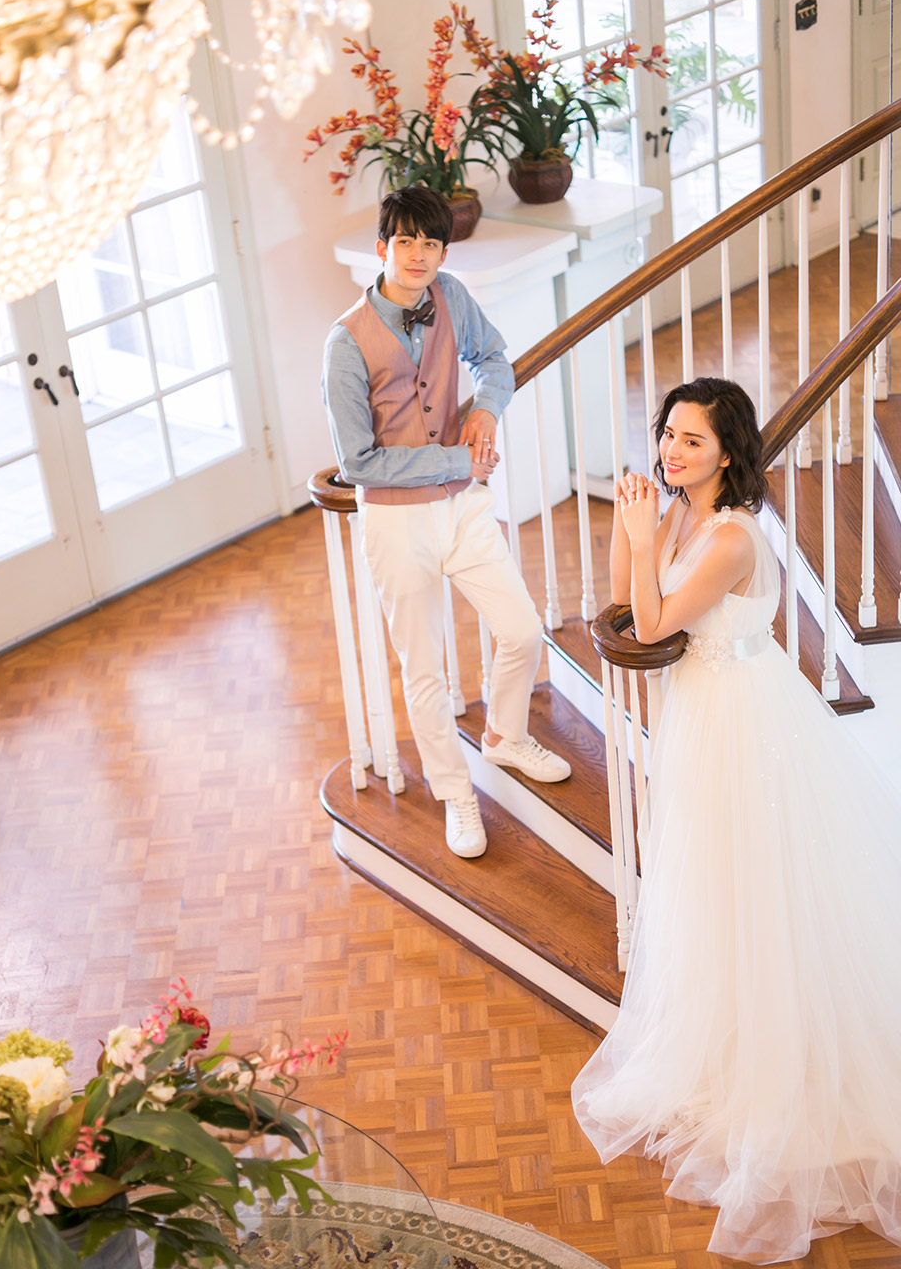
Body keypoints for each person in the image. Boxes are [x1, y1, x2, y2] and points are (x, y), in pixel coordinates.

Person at [571, 377, 901, 1263]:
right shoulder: (682, 513)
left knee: (756, 883)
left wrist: (643, 532)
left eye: (693, 440)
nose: (673, 451)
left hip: (742, 722)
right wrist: (631, 526)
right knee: (711, 887)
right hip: (702, 714)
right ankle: (724, 1044)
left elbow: (650, 625)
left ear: (728, 451)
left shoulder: (729, 535)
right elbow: (623, 598)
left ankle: (784, 1065)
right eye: (668, 435)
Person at [321, 186, 570, 860]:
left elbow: (495, 359)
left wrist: (486, 406)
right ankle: (456, 792)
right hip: (395, 524)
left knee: (521, 629)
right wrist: (461, 457)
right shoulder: (345, 343)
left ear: (442, 252)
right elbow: (358, 462)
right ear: (382, 247)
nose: (419, 255)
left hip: (463, 508)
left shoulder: (451, 295)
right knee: (425, 668)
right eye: (405, 241)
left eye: (431, 243)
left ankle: (505, 736)